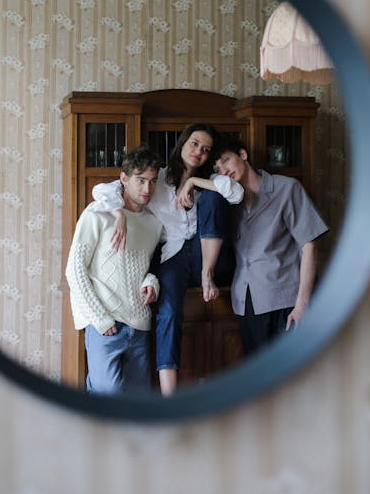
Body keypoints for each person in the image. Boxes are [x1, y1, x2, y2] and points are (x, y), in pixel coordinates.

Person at [89, 123, 243, 396]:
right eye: (194, 143)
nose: (198, 152)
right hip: (171, 254)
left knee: (212, 199)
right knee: (169, 311)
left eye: (206, 150)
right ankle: (168, 395)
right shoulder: (156, 178)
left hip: (204, 256)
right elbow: (104, 191)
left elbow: (235, 192)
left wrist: (195, 182)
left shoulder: (209, 179)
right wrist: (119, 214)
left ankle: (207, 275)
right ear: (183, 143)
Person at [209, 135, 328, 355]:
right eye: (217, 169)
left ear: (243, 155)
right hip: (246, 302)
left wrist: (302, 304)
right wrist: (190, 182)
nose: (223, 171)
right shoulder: (227, 203)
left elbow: (309, 245)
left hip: (286, 300)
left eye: (226, 160)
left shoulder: (287, 188)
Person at [65, 146, 163, 395]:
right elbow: (74, 270)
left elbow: (148, 268)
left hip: (139, 325)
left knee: (139, 405)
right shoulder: (96, 214)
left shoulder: (154, 224)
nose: (147, 189)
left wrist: (151, 282)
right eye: (140, 180)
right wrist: (100, 318)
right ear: (123, 179)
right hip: (106, 325)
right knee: (105, 397)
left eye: (152, 181)